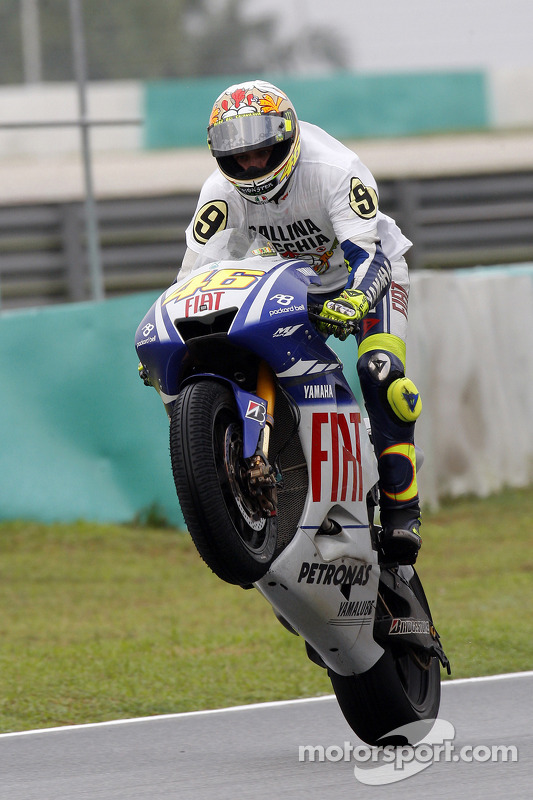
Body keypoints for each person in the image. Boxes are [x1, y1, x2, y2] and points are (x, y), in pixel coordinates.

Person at [180, 79, 422, 565]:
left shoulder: (335, 170)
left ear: (287, 137)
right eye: (238, 155)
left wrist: (355, 301)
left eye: (263, 149)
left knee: (379, 371)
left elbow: (370, 257)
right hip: (294, 286)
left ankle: (402, 508)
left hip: (367, 277)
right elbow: (194, 274)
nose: (251, 165)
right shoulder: (220, 191)